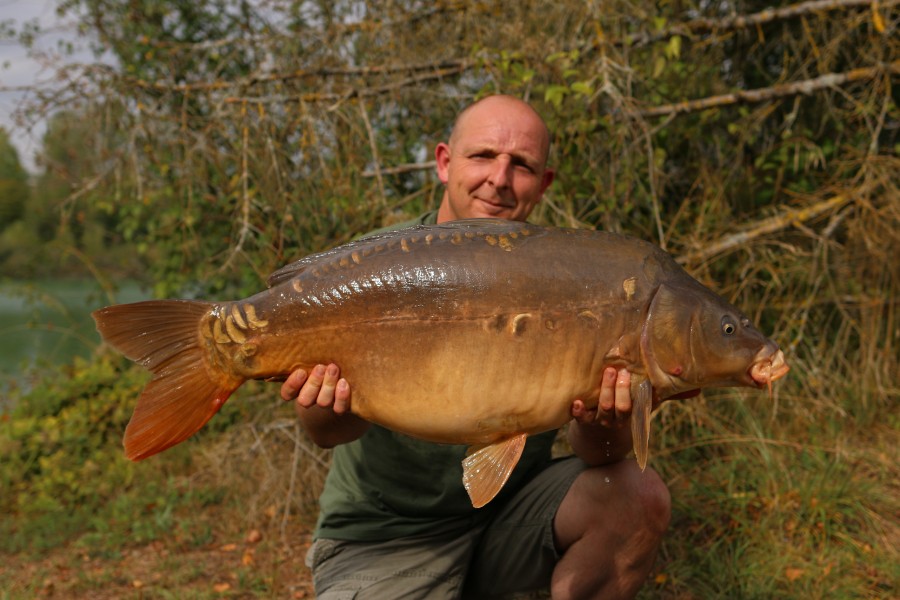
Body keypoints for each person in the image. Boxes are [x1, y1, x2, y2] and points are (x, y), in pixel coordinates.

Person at [280, 95, 673, 599]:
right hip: (387, 537)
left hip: (508, 518)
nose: (500, 178)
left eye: (522, 165)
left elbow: (599, 455)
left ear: (544, 182)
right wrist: (326, 402)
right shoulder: (375, 264)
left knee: (635, 494)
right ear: (445, 162)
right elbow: (325, 434)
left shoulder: (573, 274)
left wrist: (610, 420)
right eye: (483, 156)